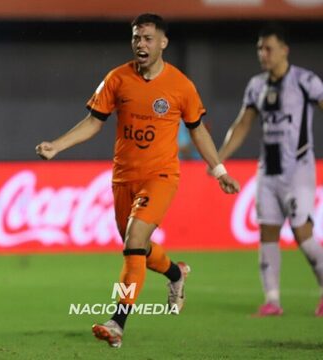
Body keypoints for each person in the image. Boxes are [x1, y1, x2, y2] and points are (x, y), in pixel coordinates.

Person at [35, 13, 240, 348]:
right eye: (136, 38)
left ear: (163, 43)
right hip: (123, 178)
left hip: (160, 176)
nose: (140, 45)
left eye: (147, 39)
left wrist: (219, 170)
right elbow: (94, 120)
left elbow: (197, 129)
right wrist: (57, 145)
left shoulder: (180, 86)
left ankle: (117, 323)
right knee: (138, 249)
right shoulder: (117, 79)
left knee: (134, 239)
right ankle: (175, 273)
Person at [218, 24, 323, 317]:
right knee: (267, 232)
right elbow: (242, 125)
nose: (263, 54)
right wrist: (218, 158)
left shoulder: (305, 81)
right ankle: (273, 301)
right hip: (268, 171)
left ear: (284, 50)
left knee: (303, 235)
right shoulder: (257, 85)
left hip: (298, 169)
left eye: (269, 48)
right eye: (260, 49)